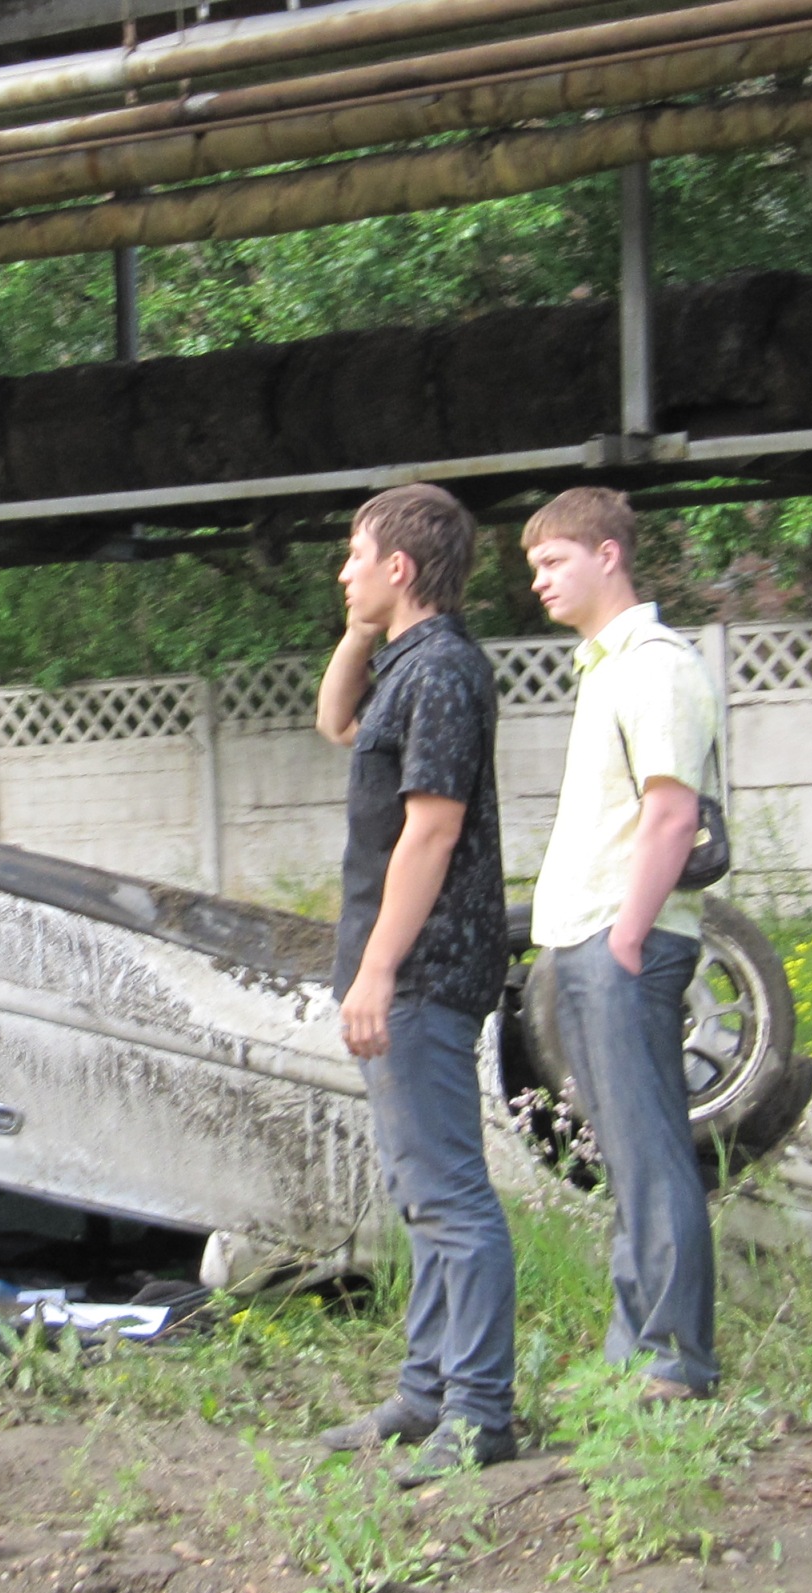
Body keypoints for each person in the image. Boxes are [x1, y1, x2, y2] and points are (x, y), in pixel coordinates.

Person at [311, 484, 516, 1486]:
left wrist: (378, 969)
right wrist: (356, 629)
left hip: (423, 963)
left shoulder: (443, 672)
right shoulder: (406, 667)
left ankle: (477, 1412)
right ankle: (424, 1391)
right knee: (419, 1188)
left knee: (447, 1196)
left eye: (355, 556)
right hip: (404, 963)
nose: (341, 572)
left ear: (400, 568)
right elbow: (333, 717)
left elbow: (431, 827)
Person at [522, 486, 721, 1403]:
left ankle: (676, 1358)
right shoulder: (602, 668)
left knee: (649, 1150)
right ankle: (631, 1355)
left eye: (554, 562)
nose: (539, 582)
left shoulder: (655, 665)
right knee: (624, 1159)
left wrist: (631, 934)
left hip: (623, 941)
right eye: (534, 567)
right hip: (582, 941)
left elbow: (672, 811)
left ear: (609, 554)